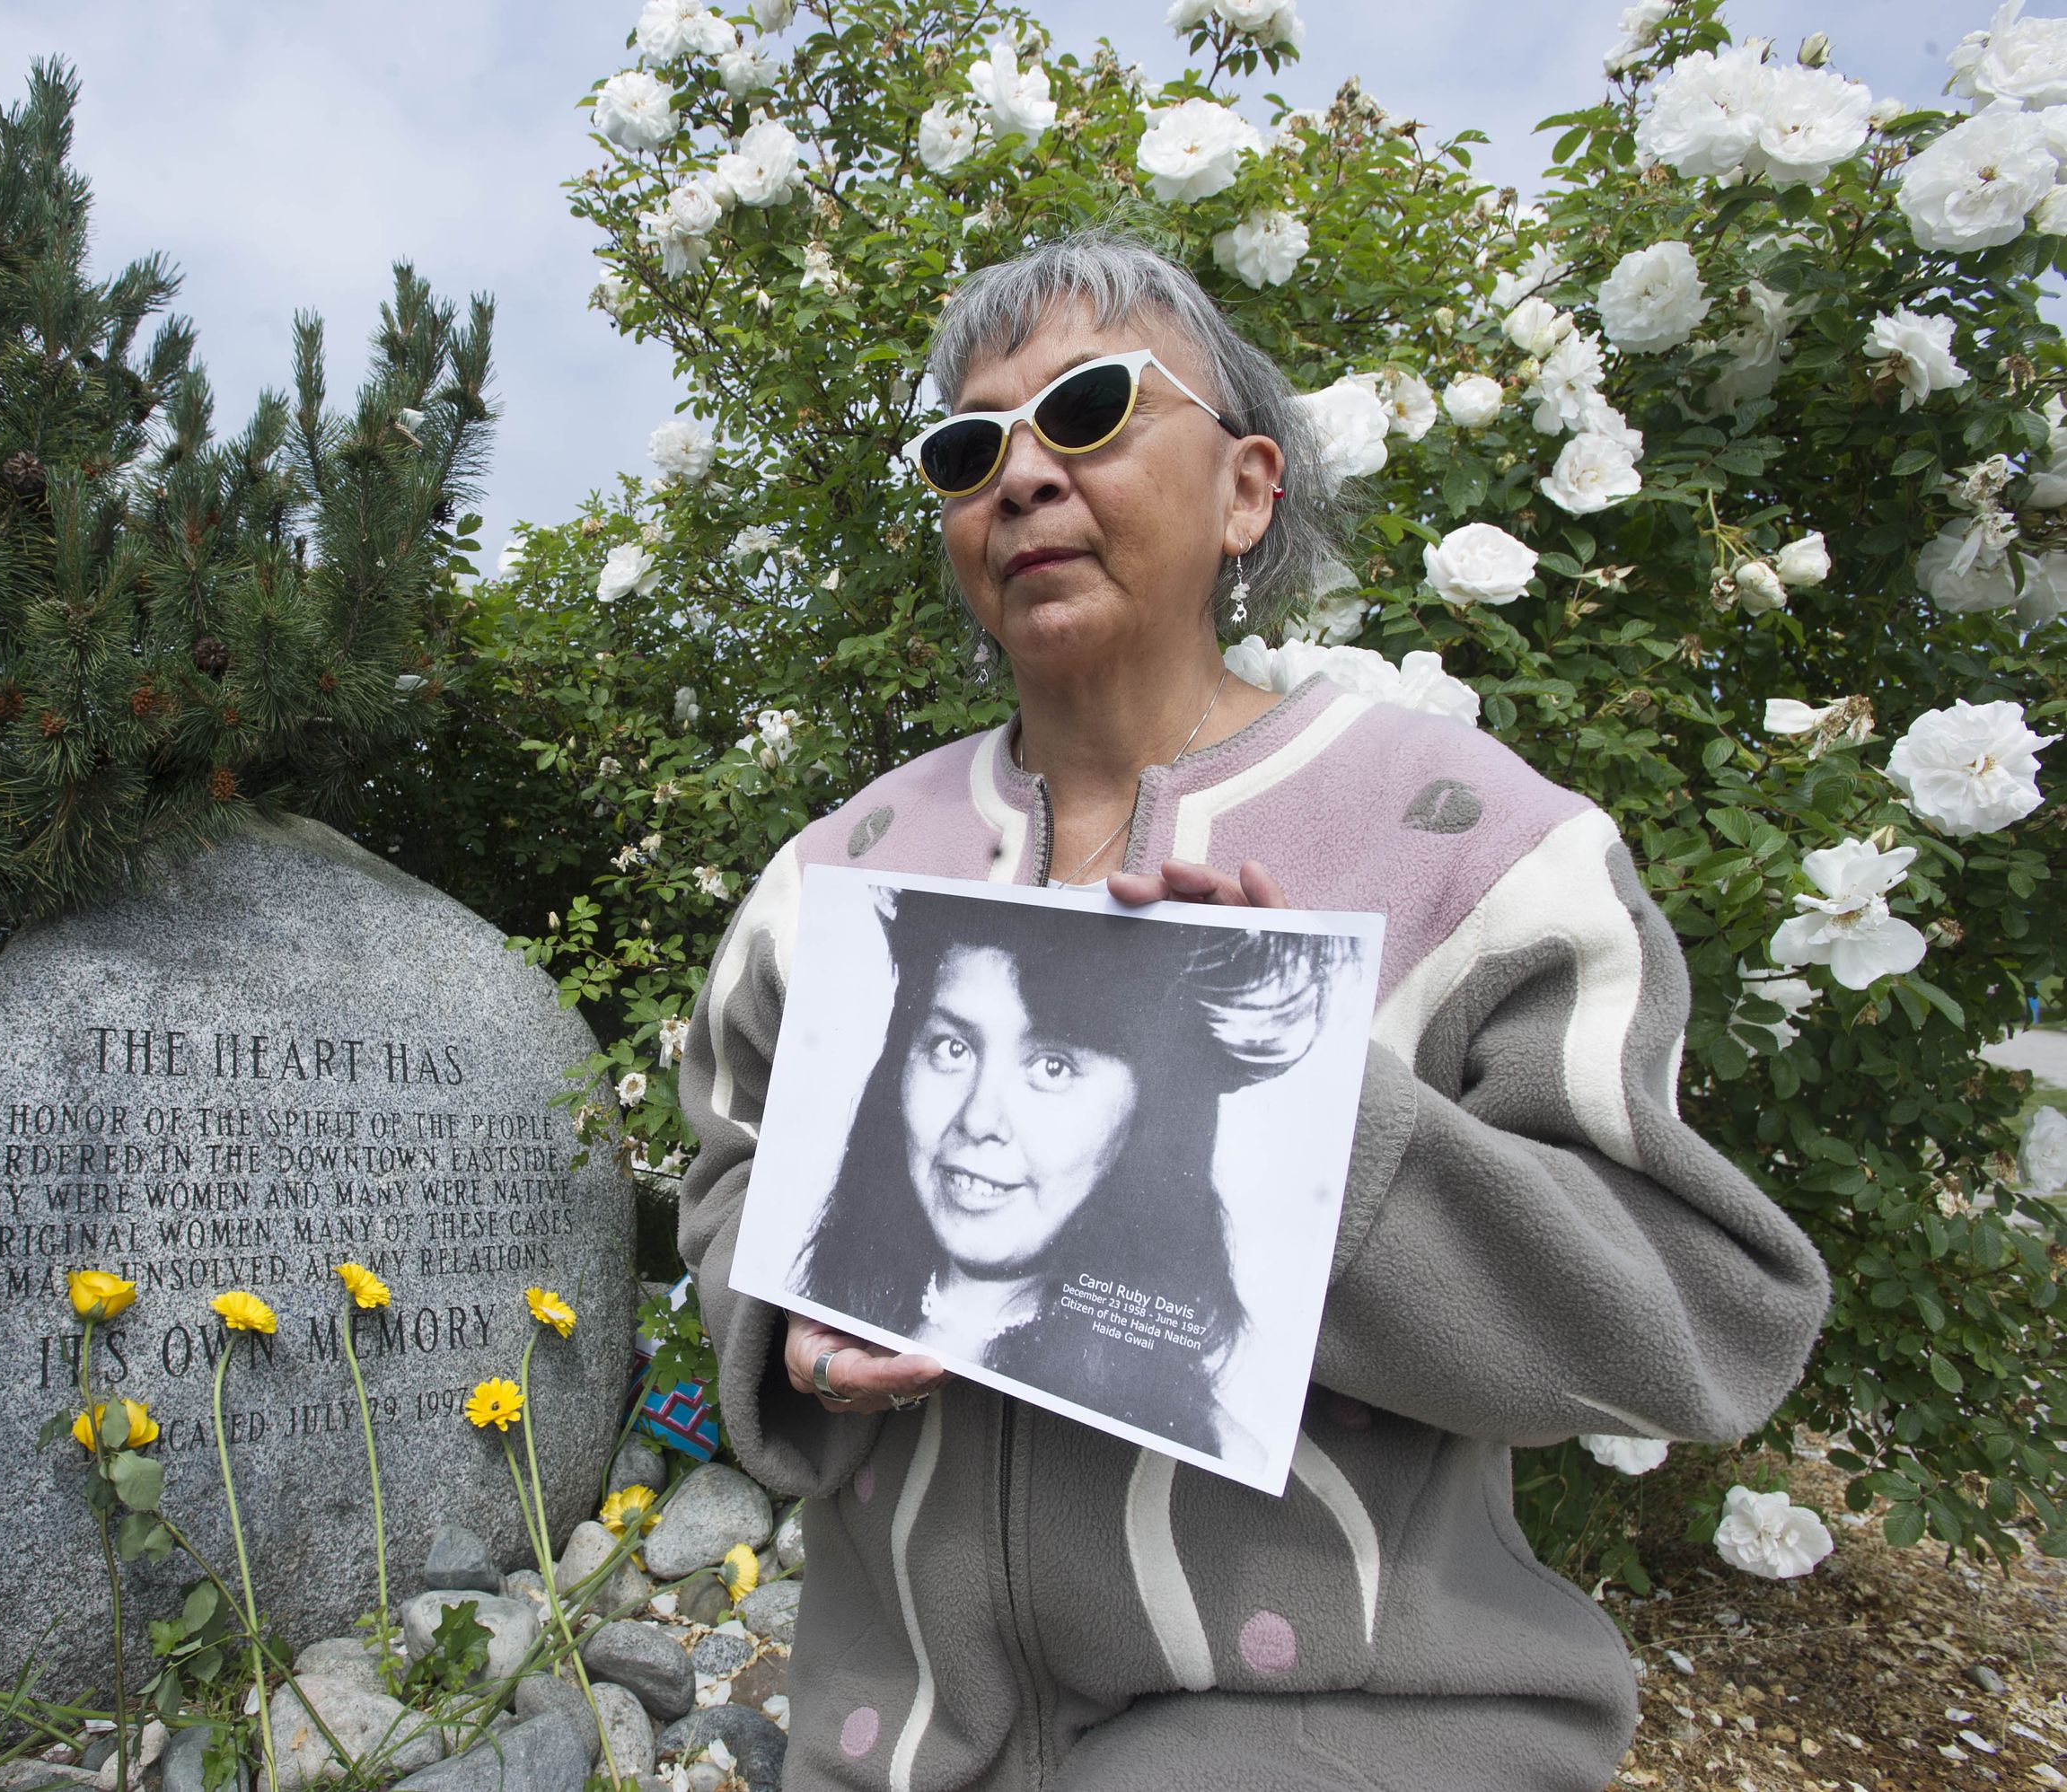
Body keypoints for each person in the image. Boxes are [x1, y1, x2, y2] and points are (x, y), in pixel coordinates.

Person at [675, 229, 1829, 1791]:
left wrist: (1318, 1125)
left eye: (1089, 410)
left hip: (1349, 1725)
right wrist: (787, 1326)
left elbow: (1697, 1324)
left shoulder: (1474, 846)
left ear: (1248, 491)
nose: (1019, 477)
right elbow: (730, 1172)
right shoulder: (836, 878)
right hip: (893, 1740)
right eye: (968, 447)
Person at [794, 886, 1356, 1467]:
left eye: (1053, 1066)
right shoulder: (833, 1307)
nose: (979, 1118)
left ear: (1146, 1116)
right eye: (952, 1047)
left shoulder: (1222, 1450)